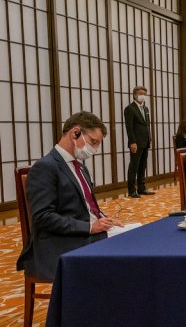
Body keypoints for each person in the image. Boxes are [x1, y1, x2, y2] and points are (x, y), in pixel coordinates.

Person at [17, 111, 123, 282]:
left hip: (85, 235)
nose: (94, 149)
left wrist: (104, 219)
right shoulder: (45, 167)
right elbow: (43, 217)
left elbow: (88, 206)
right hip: (60, 242)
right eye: (93, 142)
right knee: (124, 251)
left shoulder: (80, 167)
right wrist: (89, 227)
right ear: (75, 133)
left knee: (132, 237)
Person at [124, 86, 153, 198]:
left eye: (145, 94)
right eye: (141, 93)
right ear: (135, 95)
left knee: (143, 165)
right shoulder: (130, 109)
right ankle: (132, 190)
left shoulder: (146, 109)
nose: (143, 96)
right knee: (134, 166)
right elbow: (129, 127)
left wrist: (149, 138)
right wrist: (132, 142)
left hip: (145, 141)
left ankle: (142, 188)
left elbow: (147, 125)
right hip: (136, 142)